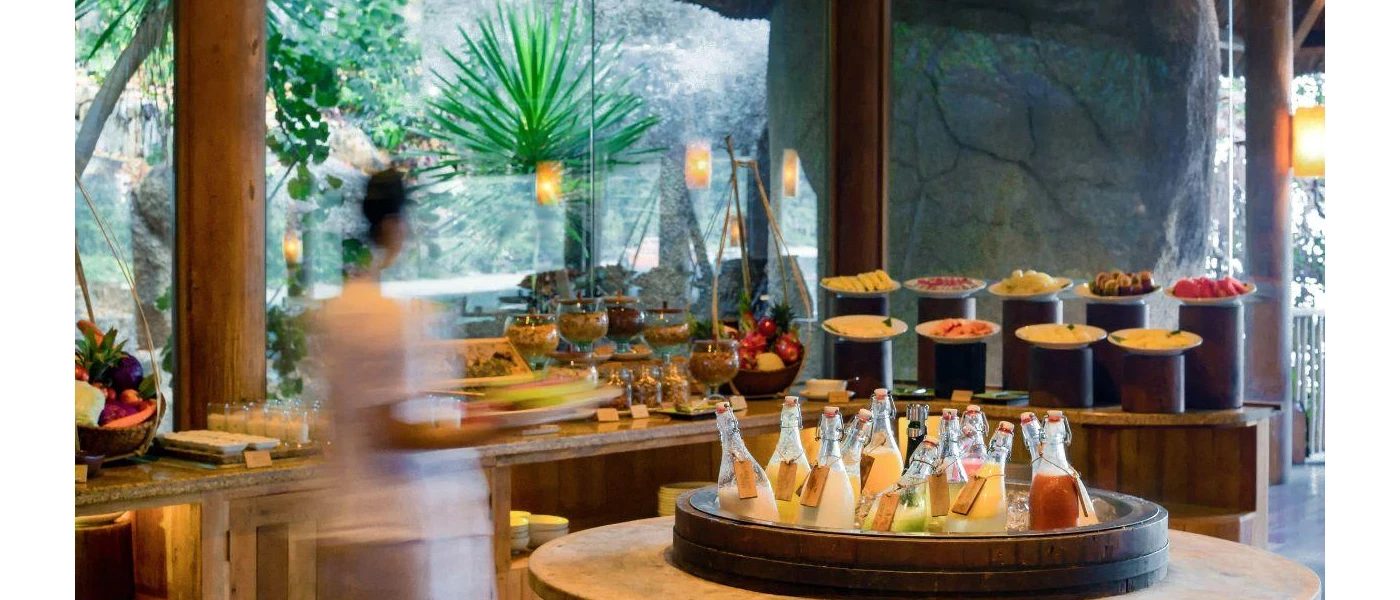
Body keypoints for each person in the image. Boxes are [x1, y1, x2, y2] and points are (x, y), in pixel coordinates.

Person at [315, 169, 497, 599]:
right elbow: (390, 429)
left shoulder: (343, 307)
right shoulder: (380, 314)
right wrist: (490, 428)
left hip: (363, 517)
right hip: (401, 527)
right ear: (395, 225)